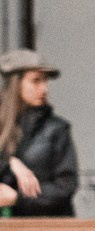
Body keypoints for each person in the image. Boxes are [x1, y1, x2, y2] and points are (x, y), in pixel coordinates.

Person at [0, 49, 79, 217]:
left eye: (45, 81)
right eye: (36, 81)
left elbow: (66, 186)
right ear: (16, 83)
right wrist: (11, 162)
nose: (44, 89)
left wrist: (17, 198)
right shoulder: (3, 127)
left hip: (45, 226)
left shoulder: (57, 129)